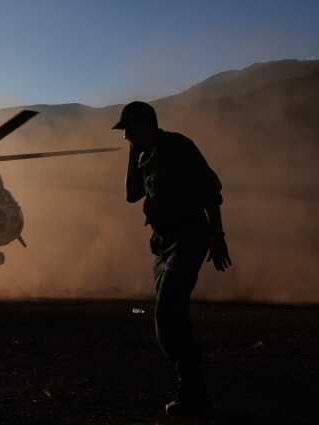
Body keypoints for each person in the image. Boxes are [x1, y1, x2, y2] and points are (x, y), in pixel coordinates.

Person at [113, 101, 232, 417]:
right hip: (162, 244)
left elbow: (210, 192)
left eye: (128, 129)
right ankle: (192, 390)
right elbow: (131, 195)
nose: (125, 136)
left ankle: (192, 394)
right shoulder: (144, 155)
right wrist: (132, 154)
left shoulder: (178, 146)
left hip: (189, 237)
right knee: (167, 318)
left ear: (145, 124)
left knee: (168, 311)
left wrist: (218, 237)